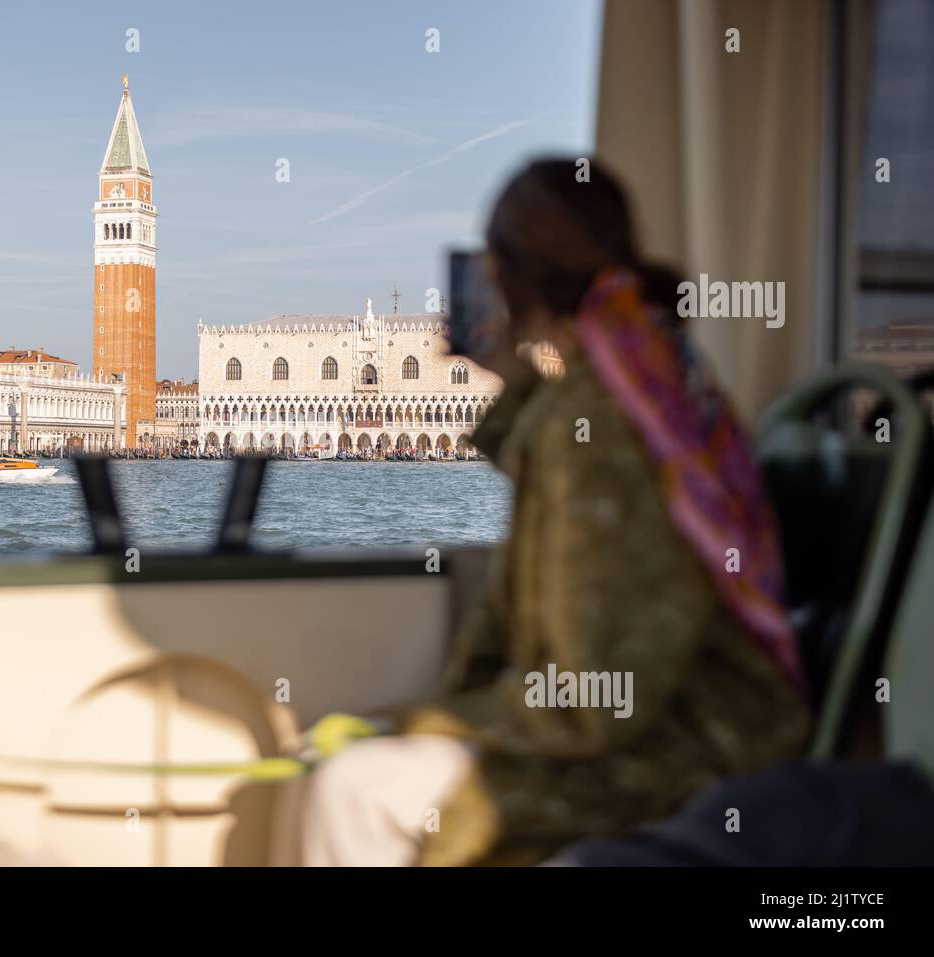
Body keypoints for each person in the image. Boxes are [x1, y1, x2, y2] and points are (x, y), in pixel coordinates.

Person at [295, 158, 810, 867]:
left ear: (508, 278)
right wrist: (516, 371)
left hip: (694, 744)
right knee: (365, 762)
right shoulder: (643, 374)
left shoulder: (597, 423)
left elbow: (592, 701)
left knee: (355, 789)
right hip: (686, 720)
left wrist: (423, 721)